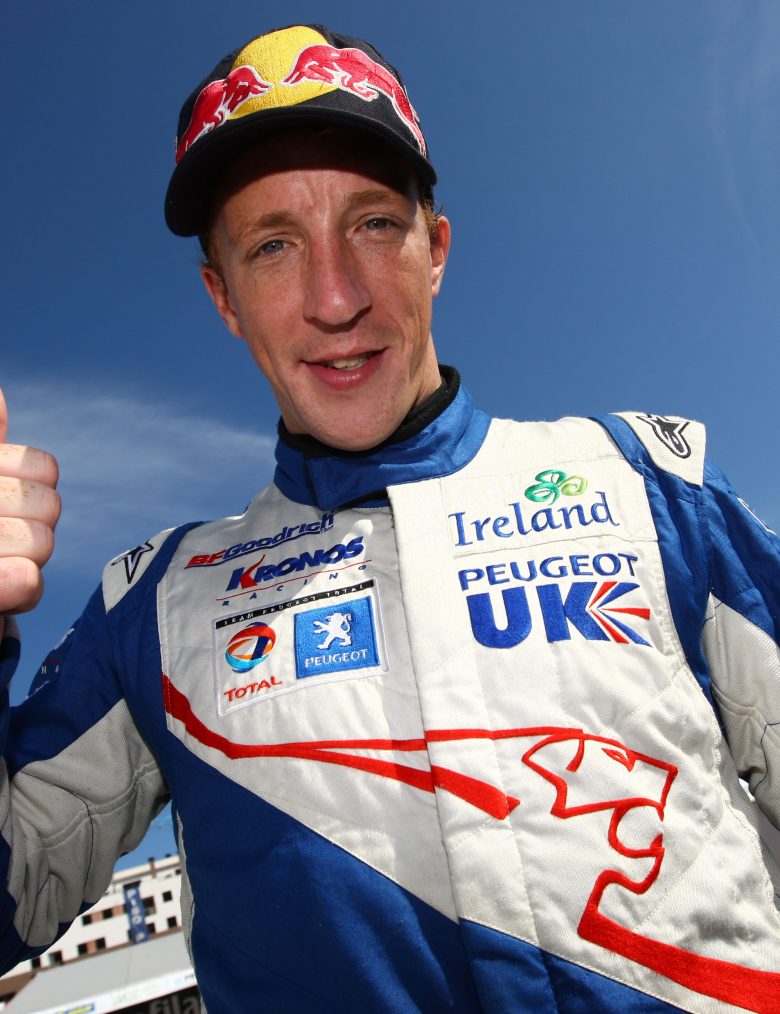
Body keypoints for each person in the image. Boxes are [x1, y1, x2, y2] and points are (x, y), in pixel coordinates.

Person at [1, 22, 779, 1014]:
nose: (335, 298)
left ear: (435, 250)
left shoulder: (650, 486)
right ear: (224, 298)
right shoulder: (152, 609)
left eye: (371, 224)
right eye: (273, 246)